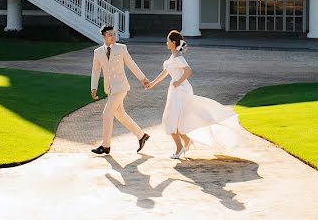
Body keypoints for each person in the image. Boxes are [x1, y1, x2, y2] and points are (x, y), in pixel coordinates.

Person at [146, 30, 241, 159]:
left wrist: (178, 82)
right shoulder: (172, 57)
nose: (166, 43)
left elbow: (188, 71)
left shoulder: (179, 58)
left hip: (180, 91)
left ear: (173, 43)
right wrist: (151, 84)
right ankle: (187, 141)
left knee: (170, 119)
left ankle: (180, 148)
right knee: (175, 120)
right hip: (175, 91)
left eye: (168, 40)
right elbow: (165, 72)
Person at [90, 25, 151, 155]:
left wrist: (143, 78)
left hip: (121, 87)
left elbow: (131, 64)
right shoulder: (98, 52)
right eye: (110, 35)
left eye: (114, 34)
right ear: (104, 36)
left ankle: (106, 146)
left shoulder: (122, 48)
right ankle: (141, 135)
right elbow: (95, 71)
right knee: (120, 115)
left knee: (107, 114)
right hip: (110, 89)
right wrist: (93, 87)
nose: (113, 37)